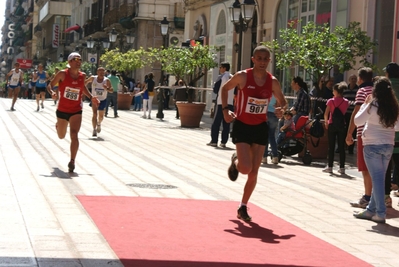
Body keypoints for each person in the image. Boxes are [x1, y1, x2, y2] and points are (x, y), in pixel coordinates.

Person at [221, 45, 286, 222]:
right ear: (253, 59)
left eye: (266, 59)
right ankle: (235, 162)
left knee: (254, 172)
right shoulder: (242, 76)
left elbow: (282, 101)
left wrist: (280, 110)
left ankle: (243, 206)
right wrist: (226, 110)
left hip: (260, 127)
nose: (263, 62)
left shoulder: (272, 81)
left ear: (269, 61)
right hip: (242, 125)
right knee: (245, 168)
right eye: (259, 58)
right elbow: (225, 89)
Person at [353, 77, 399, 224]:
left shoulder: (372, 104)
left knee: (377, 180)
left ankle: (380, 213)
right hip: (388, 146)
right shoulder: (393, 106)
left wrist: (364, 105)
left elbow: (358, 121)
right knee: (379, 178)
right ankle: (370, 210)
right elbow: (397, 127)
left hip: (372, 145)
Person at [47, 52, 99, 172]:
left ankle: (72, 161)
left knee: (74, 135)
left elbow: (82, 87)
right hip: (62, 110)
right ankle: (58, 125)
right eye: (76, 59)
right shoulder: (62, 74)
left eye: (80, 59)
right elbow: (50, 85)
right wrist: (52, 93)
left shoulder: (83, 75)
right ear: (70, 62)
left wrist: (92, 97)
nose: (78, 61)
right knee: (61, 136)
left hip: (76, 110)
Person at [346, 67, 374, 208]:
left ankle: (367, 197)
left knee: (365, 167)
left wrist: (349, 132)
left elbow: (356, 113)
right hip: (379, 134)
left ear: (360, 79)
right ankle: (378, 197)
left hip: (364, 132)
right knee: (376, 168)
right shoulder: (378, 91)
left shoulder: (362, 91)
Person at [323, 82, 349, 174]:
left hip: (332, 124)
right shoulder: (346, 102)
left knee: (331, 146)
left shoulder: (331, 101)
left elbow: (326, 113)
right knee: (341, 147)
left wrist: (326, 122)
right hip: (342, 124)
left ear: (336, 91)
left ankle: (330, 166)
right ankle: (342, 168)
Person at [207, 62, 234, 148]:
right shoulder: (233, 77)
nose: (219, 69)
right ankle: (223, 142)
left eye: (220, 67)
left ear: (224, 68)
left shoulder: (221, 77)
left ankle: (214, 141)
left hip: (220, 103)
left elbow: (215, 89)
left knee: (216, 122)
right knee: (227, 123)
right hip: (230, 103)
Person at [84, 67, 113, 137]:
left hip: (103, 100)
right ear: (97, 72)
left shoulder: (107, 80)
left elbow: (111, 90)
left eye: (103, 73)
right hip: (94, 99)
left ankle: (99, 123)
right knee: (94, 114)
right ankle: (94, 129)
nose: (101, 74)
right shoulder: (93, 78)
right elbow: (84, 83)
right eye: (100, 72)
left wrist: (107, 88)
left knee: (101, 116)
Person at [343, 74, 359, 154]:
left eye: (355, 79)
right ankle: (343, 146)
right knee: (345, 130)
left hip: (354, 113)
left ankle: (350, 149)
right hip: (346, 113)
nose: (353, 80)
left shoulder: (358, 90)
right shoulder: (345, 89)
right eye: (352, 78)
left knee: (353, 131)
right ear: (349, 80)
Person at [262, 95, 280, 164]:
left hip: (265, 113)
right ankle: (275, 156)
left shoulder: (266, 92)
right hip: (274, 114)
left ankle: (264, 157)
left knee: (265, 136)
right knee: (272, 136)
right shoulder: (276, 94)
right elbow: (278, 105)